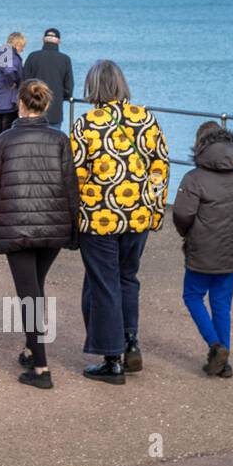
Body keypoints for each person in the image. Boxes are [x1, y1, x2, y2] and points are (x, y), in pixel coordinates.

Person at [70, 60, 169, 385]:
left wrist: (76, 212)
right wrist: (153, 209)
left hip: (100, 218)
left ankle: (112, 360)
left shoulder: (87, 124)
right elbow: (160, 166)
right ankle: (130, 341)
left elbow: (76, 174)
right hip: (138, 216)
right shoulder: (146, 118)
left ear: (93, 87)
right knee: (128, 279)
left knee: (104, 283)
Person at [0, 79, 79, 390]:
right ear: (46, 105)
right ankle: (30, 348)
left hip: (16, 225)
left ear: (19, 103)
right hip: (53, 226)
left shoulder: (3, 141)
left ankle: (40, 367)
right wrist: (73, 230)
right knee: (34, 288)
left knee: (29, 295)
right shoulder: (60, 140)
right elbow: (71, 188)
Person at [172, 121, 233, 379]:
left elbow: (182, 214)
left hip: (202, 250)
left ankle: (215, 346)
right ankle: (224, 360)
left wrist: (188, 234)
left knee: (192, 295)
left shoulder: (194, 178)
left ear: (200, 146)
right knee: (221, 303)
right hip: (230, 249)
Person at [22, 28, 75, 128]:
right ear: (59, 41)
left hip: (33, 108)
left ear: (43, 40)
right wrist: (63, 96)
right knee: (53, 139)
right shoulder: (65, 59)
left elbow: (24, 82)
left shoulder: (32, 57)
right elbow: (69, 86)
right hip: (55, 111)